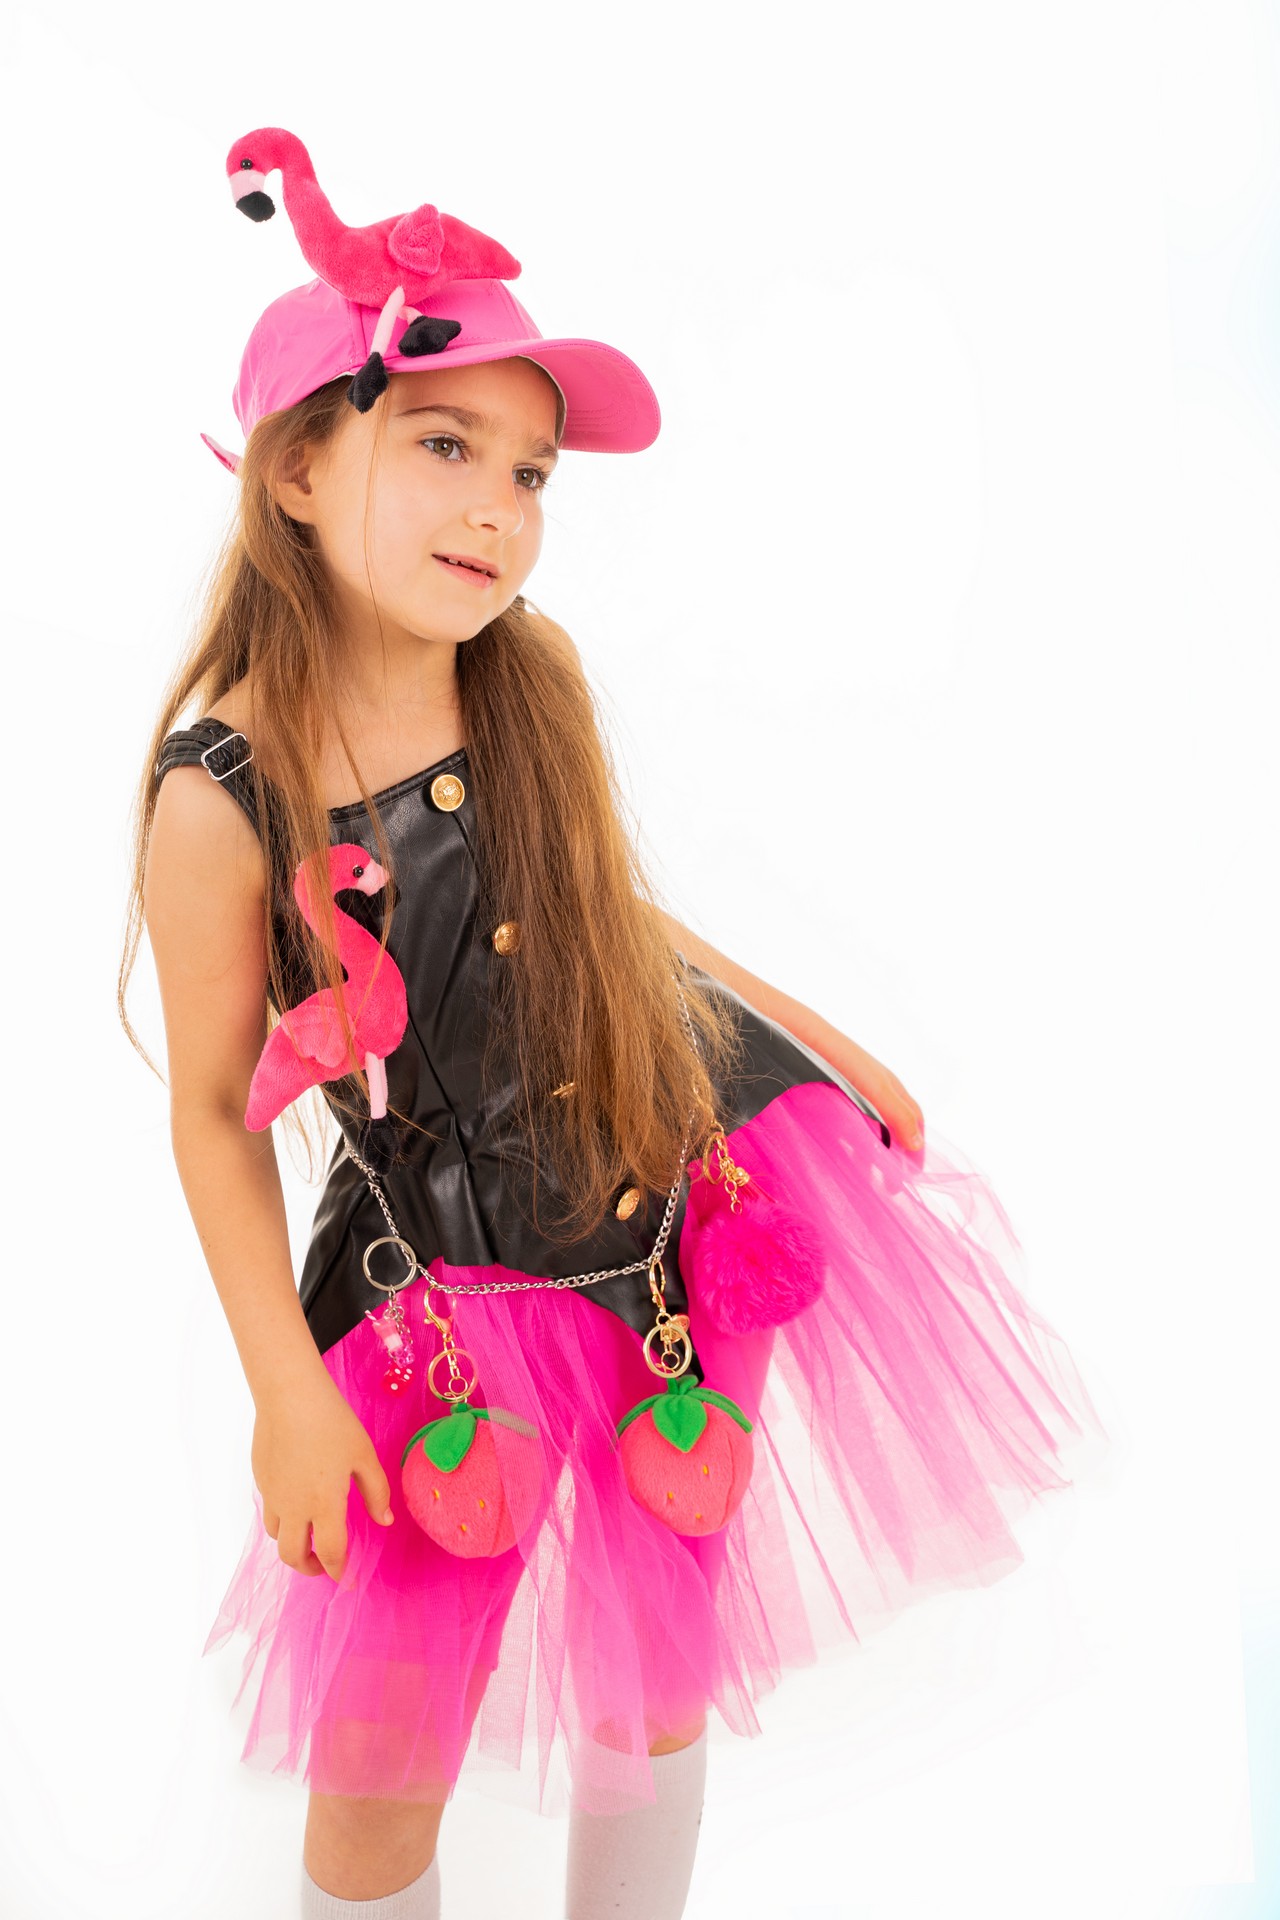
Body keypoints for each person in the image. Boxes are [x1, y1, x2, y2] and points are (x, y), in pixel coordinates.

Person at [120, 126, 1107, 1920]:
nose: (500, 507)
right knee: (376, 1786)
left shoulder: (531, 677)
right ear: (298, 467)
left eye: (530, 471)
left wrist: (821, 1038)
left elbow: (612, 917)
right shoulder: (226, 790)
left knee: (655, 1681)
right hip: (444, 1306)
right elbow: (208, 1110)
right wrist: (282, 1389)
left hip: (675, 1220)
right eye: (445, 445)